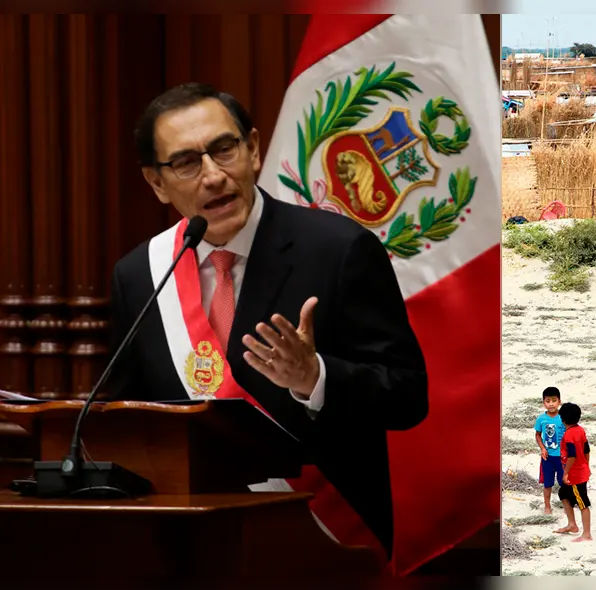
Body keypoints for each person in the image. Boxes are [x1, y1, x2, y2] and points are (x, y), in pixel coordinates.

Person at [108, 83, 428, 558]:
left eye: (224, 149)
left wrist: (315, 378)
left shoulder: (338, 250)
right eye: (186, 163)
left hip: (321, 546)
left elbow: (407, 396)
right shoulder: (140, 275)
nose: (213, 176)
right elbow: (129, 420)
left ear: (253, 149)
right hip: (190, 549)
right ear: (157, 183)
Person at [552, 402, 592, 542]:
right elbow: (586, 449)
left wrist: (566, 473)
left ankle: (587, 534)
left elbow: (572, 456)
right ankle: (572, 524)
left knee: (582, 503)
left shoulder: (569, 435)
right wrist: (587, 465)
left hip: (575, 475)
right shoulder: (580, 430)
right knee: (563, 494)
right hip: (581, 470)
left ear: (562, 419)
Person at [534, 386, 566, 514]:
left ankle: (567, 504)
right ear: (543, 403)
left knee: (564, 482)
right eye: (548, 401)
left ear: (559, 401)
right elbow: (537, 435)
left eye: (554, 400)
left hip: (562, 457)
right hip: (547, 457)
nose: (551, 404)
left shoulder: (563, 417)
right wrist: (542, 448)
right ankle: (547, 506)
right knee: (547, 483)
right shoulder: (541, 419)